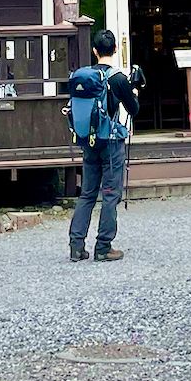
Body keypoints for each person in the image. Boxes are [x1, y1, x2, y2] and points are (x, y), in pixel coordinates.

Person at [68, 28, 140, 263]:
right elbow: (134, 110)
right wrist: (134, 92)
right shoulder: (117, 78)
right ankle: (103, 246)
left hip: (88, 140)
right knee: (110, 193)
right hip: (111, 143)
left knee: (87, 193)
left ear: (95, 51)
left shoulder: (86, 77)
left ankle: (76, 245)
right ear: (116, 49)